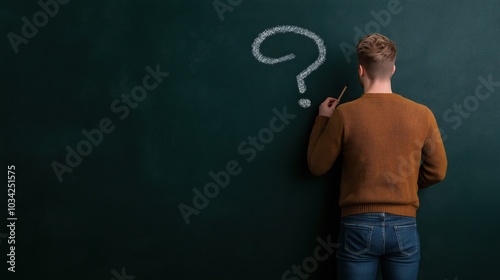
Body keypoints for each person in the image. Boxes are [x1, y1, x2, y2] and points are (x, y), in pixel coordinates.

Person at [307, 33, 447, 280]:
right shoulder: (422, 114)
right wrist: (404, 183)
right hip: (404, 225)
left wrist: (322, 119)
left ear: (360, 70)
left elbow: (317, 166)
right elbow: (438, 171)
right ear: (392, 69)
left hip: (357, 225)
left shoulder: (345, 114)